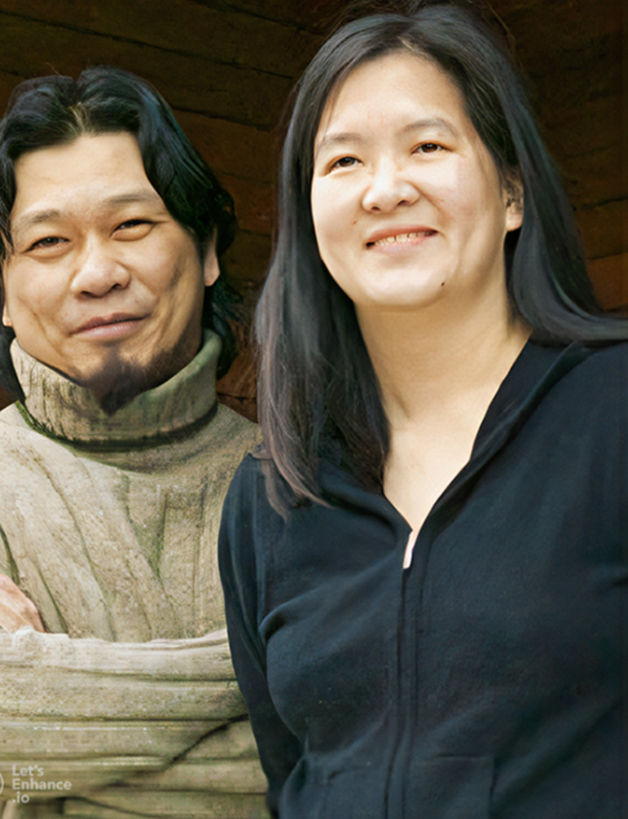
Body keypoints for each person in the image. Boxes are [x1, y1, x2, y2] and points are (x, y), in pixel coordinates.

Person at [218, 3, 628, 817]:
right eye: (342, 162)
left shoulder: (612, 412)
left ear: (512, 191)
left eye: (428, 146)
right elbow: (291, 777)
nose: (386, 189)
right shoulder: (270, 493)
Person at [0, 67, 269, 817]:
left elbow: (340, 760)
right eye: (49, 241)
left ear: (207, 250)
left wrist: (43, 723)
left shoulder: (298, 484)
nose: (97, 273)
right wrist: (261, 678)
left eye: (132, 226)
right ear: (4, 291)